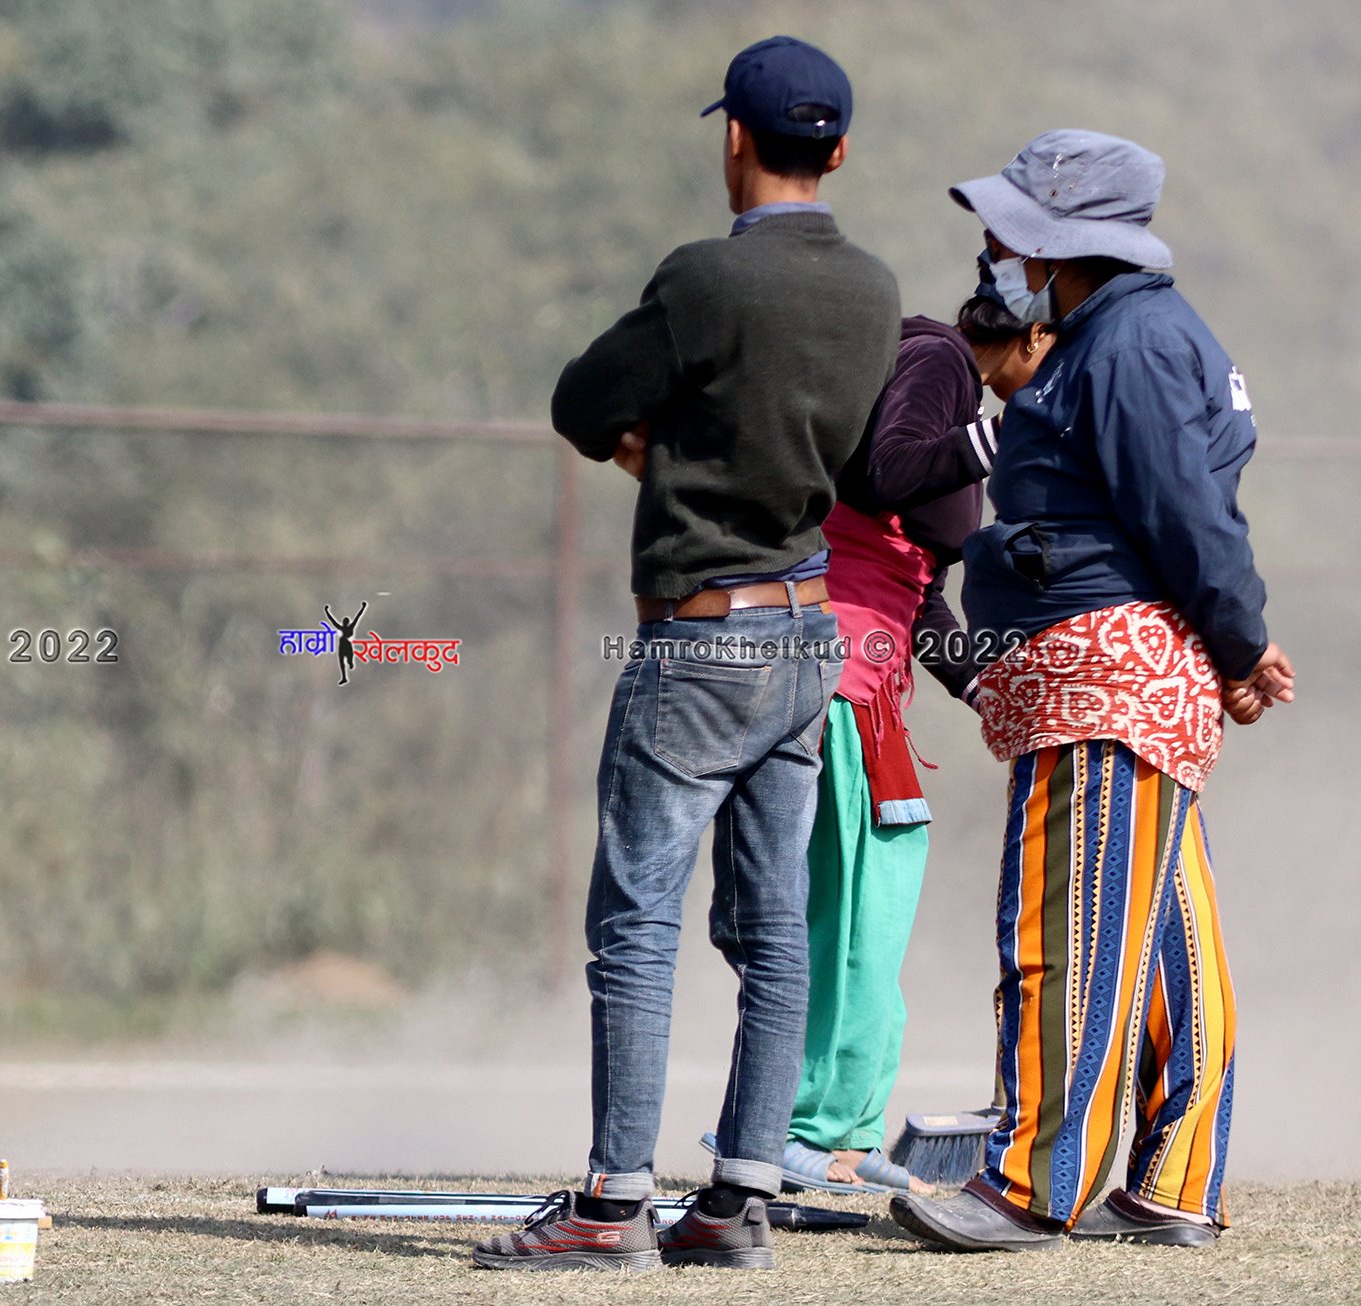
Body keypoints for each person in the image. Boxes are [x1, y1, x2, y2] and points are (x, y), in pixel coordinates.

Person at [471, 36, 898, 1272]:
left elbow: (580, 401)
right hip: (806, 631)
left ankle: (611, 1206)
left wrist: (654, 454)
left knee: (636, 923)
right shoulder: (871, 290)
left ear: (734, 138)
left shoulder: (706, 277)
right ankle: (738, 1198)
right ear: (838, 151)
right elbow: (828, 450)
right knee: (774, 932)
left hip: (700, 639)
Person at [890, 130, 1293, 1252]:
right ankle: (1172, 1180)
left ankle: (1031, 1182)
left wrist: (1240, 638)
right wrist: (1231, 645)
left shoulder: (1125, 341)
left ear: (1060, 238)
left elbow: (1185, 514)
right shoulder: (1134, 331)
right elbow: (1186, 511)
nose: (993, 248)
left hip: (1101, 677)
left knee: (1065, 930)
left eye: (1008, 229)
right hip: (1134, 670)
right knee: (1162, 932)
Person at [779, 289, 1051, 1197]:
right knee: (855, 910)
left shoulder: (931, 377)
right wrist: (1010, 433)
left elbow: (919, 586)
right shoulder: (937, 357)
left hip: (867, 675)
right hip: (841, 675)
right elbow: (891, 474)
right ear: (1033, 333)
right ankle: (809, 1131)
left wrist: (981, 687)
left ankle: (844, 1131)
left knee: (869, 906)